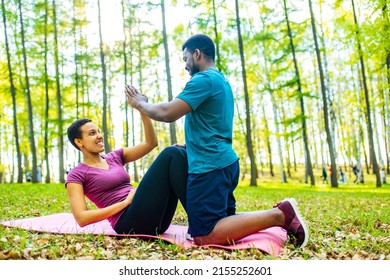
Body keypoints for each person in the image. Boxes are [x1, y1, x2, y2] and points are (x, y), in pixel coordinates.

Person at [125, 34, 308, 248]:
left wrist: (140, 104)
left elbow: (167, 113)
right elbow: (212, 125)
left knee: (205, 234)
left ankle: (280, 215)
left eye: (186, 59)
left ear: (197, 54)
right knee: (224, 222)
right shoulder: (221, 80)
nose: (185, 65)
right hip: (223, 163)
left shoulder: (203, 80)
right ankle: (278, 215)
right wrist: (190, 146)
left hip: (209, 166)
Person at [65, 102, 188, 235]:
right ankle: (200, 222)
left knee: (178, 152)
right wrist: (125, 203)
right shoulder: (76, 174)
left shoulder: (114, 157)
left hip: (158, 222)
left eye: (99, 132)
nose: (99, 136)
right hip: (128, 223)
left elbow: (151, 143)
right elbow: (82, 218)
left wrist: (142, 108)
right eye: (92, 133)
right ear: (79, 142)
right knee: (171, 153)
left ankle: (202, 218)